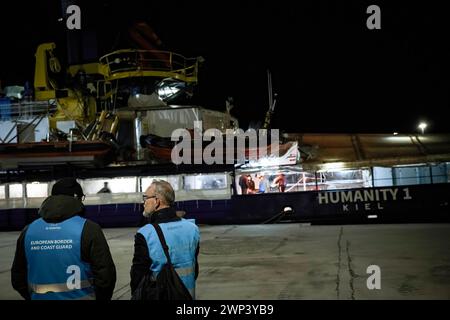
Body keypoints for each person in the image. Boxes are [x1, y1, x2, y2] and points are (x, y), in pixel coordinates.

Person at [11, 178, 116, 300]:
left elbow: (18, 278)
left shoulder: (28, 231)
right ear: (77, 198)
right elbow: (105, 276)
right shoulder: (88, 229)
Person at [130, 180, 200, 299]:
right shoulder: (192, 229)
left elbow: (138, 277)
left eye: (146, 198)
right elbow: (195, 269)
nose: (143, 203)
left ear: (157, 201)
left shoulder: (146, 234)